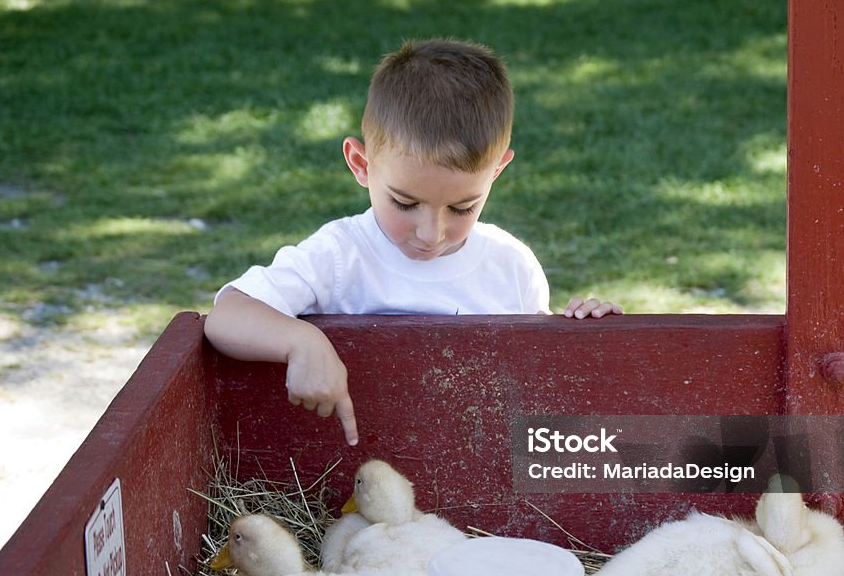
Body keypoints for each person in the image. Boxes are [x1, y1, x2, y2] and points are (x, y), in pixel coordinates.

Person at [204, 38, 622, 447]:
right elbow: (226, 317)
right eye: (405, 203)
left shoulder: (511, 265)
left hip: (473, 473)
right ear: (361, 164)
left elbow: (537, 382)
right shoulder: (339, 256)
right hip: (355, 474)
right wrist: (301, 341)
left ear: (496, 171)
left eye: (462, 207)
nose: (431, 233)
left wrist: (583, 330)